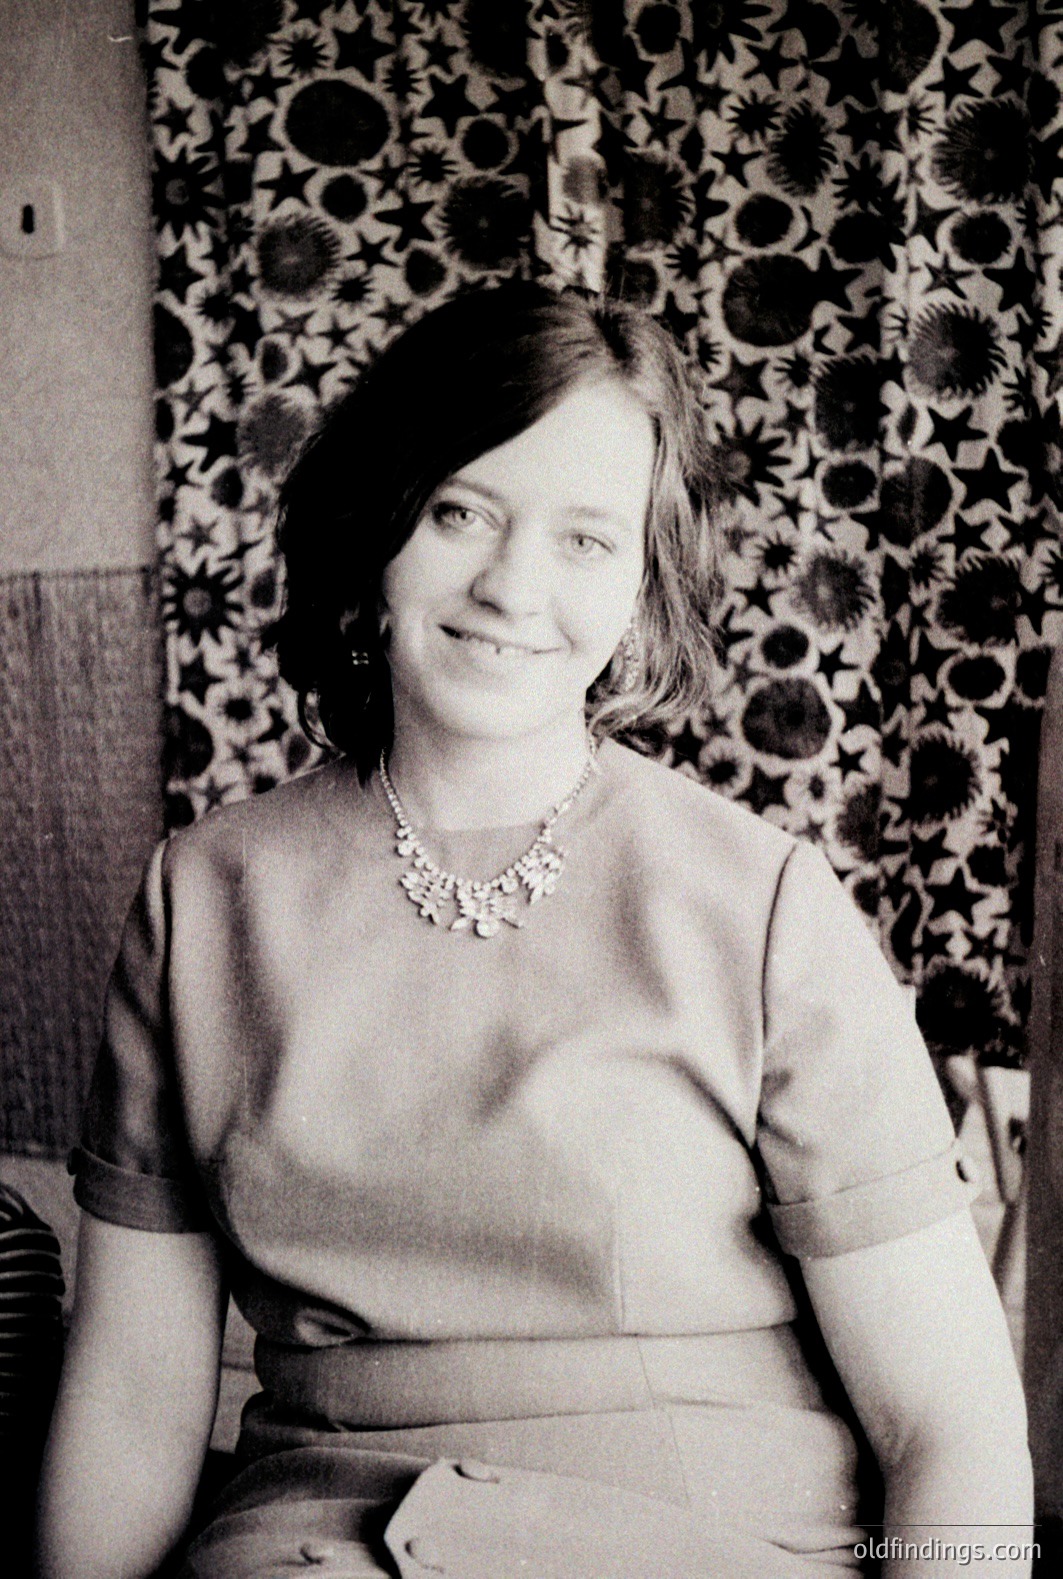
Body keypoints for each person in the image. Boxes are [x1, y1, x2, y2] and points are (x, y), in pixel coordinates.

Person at [37, 283, 1032, 1578]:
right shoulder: (203, 899)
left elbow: (948, 1422)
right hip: (315, 1545)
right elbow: (130, 1401)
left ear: (640, 582)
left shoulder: (764, 905)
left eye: (584, 538)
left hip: (704, 1541)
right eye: (462, 512)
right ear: (377, 522)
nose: (513, 584)